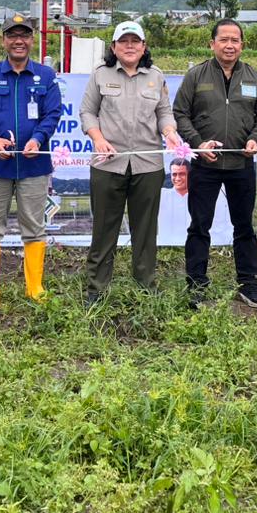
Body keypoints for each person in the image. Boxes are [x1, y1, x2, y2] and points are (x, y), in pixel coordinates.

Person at [172, 19, 257, 308]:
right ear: (212, 43)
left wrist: (256, 139)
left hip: (241, 164)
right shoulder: (196, 76)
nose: (230, 45)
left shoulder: (254, 78)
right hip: (206, 165)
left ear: (242, 44)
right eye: (224, 40)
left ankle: (249, 284)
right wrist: (197, 143)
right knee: (199, 226)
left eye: (235, 40)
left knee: (244, 226)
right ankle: (196, 286)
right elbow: (180, 114)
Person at [0, 13, 62, 308]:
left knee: (34, 227)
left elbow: (53, 114)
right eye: (12, 35)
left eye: (24, 35)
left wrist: (38, 139)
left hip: (34, 166)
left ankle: (34, 288)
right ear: (3, 40)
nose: (18, 41)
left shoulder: (46, 76)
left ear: (32, 40)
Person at [80, 21, 180, 303]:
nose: (130, 46)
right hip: (107, 164)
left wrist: (170, 132)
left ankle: (146, 284)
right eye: (123, 41)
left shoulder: (156, 76)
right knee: (103, 229)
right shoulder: (100, 75)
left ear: (144, 46)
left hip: (148, 165)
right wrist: (98, 138)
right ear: (113, 47)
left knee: (146, 229)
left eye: (135, 41)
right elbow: (87, 112)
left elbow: (164, 113)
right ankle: (96, 289)